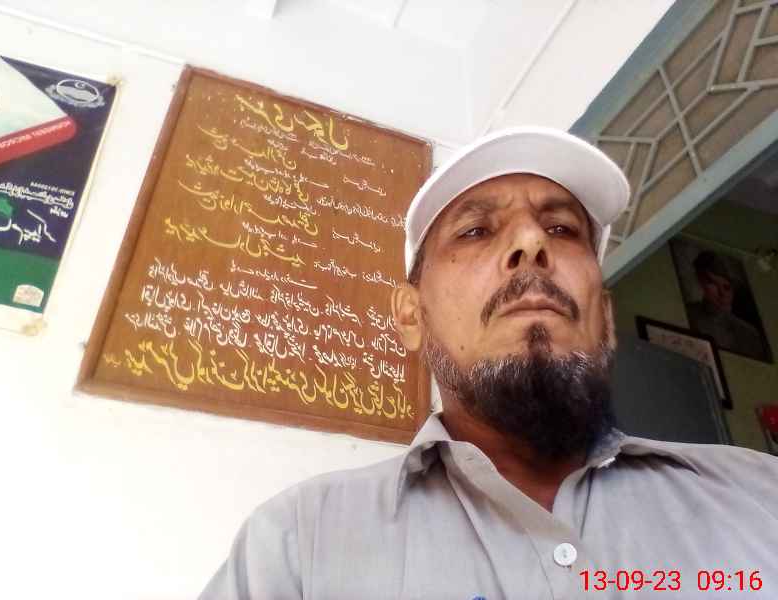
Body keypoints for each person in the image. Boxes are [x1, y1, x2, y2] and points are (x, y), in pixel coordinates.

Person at [199, 127, 778, 600]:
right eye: (475, 230)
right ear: (411, 316)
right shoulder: (299, 546)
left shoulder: (760, 493)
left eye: (562, 228)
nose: (531, 242)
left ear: (604, 315)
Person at [685, 250, 766, 359]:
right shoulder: (689, 312)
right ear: (701, 282)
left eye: (727, 287)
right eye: (713, 283)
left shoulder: (749, 333)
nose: (722, 293)